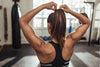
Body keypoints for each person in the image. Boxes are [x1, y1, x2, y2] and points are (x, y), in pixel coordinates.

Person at [19, 2, 91, 67]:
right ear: (63, 26)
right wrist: (70, 11)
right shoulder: (70, 42)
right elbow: (87, 22)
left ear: (49, 27)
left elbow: (22, 21)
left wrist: (43, 6)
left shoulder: (42, 47)